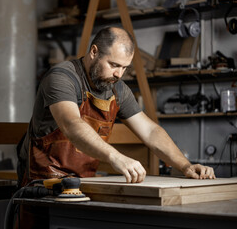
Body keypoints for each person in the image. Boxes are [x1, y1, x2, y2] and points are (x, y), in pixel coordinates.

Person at [17, 26, 215, 187]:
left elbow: (150, 131)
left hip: (83, 183)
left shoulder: (117, 89)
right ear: (94, 52)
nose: (119, 74)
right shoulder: (62, 77)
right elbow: (71, 124)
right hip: (43, 182)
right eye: (113, 65)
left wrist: (185, 166)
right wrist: (116, 157)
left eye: (124, 67)